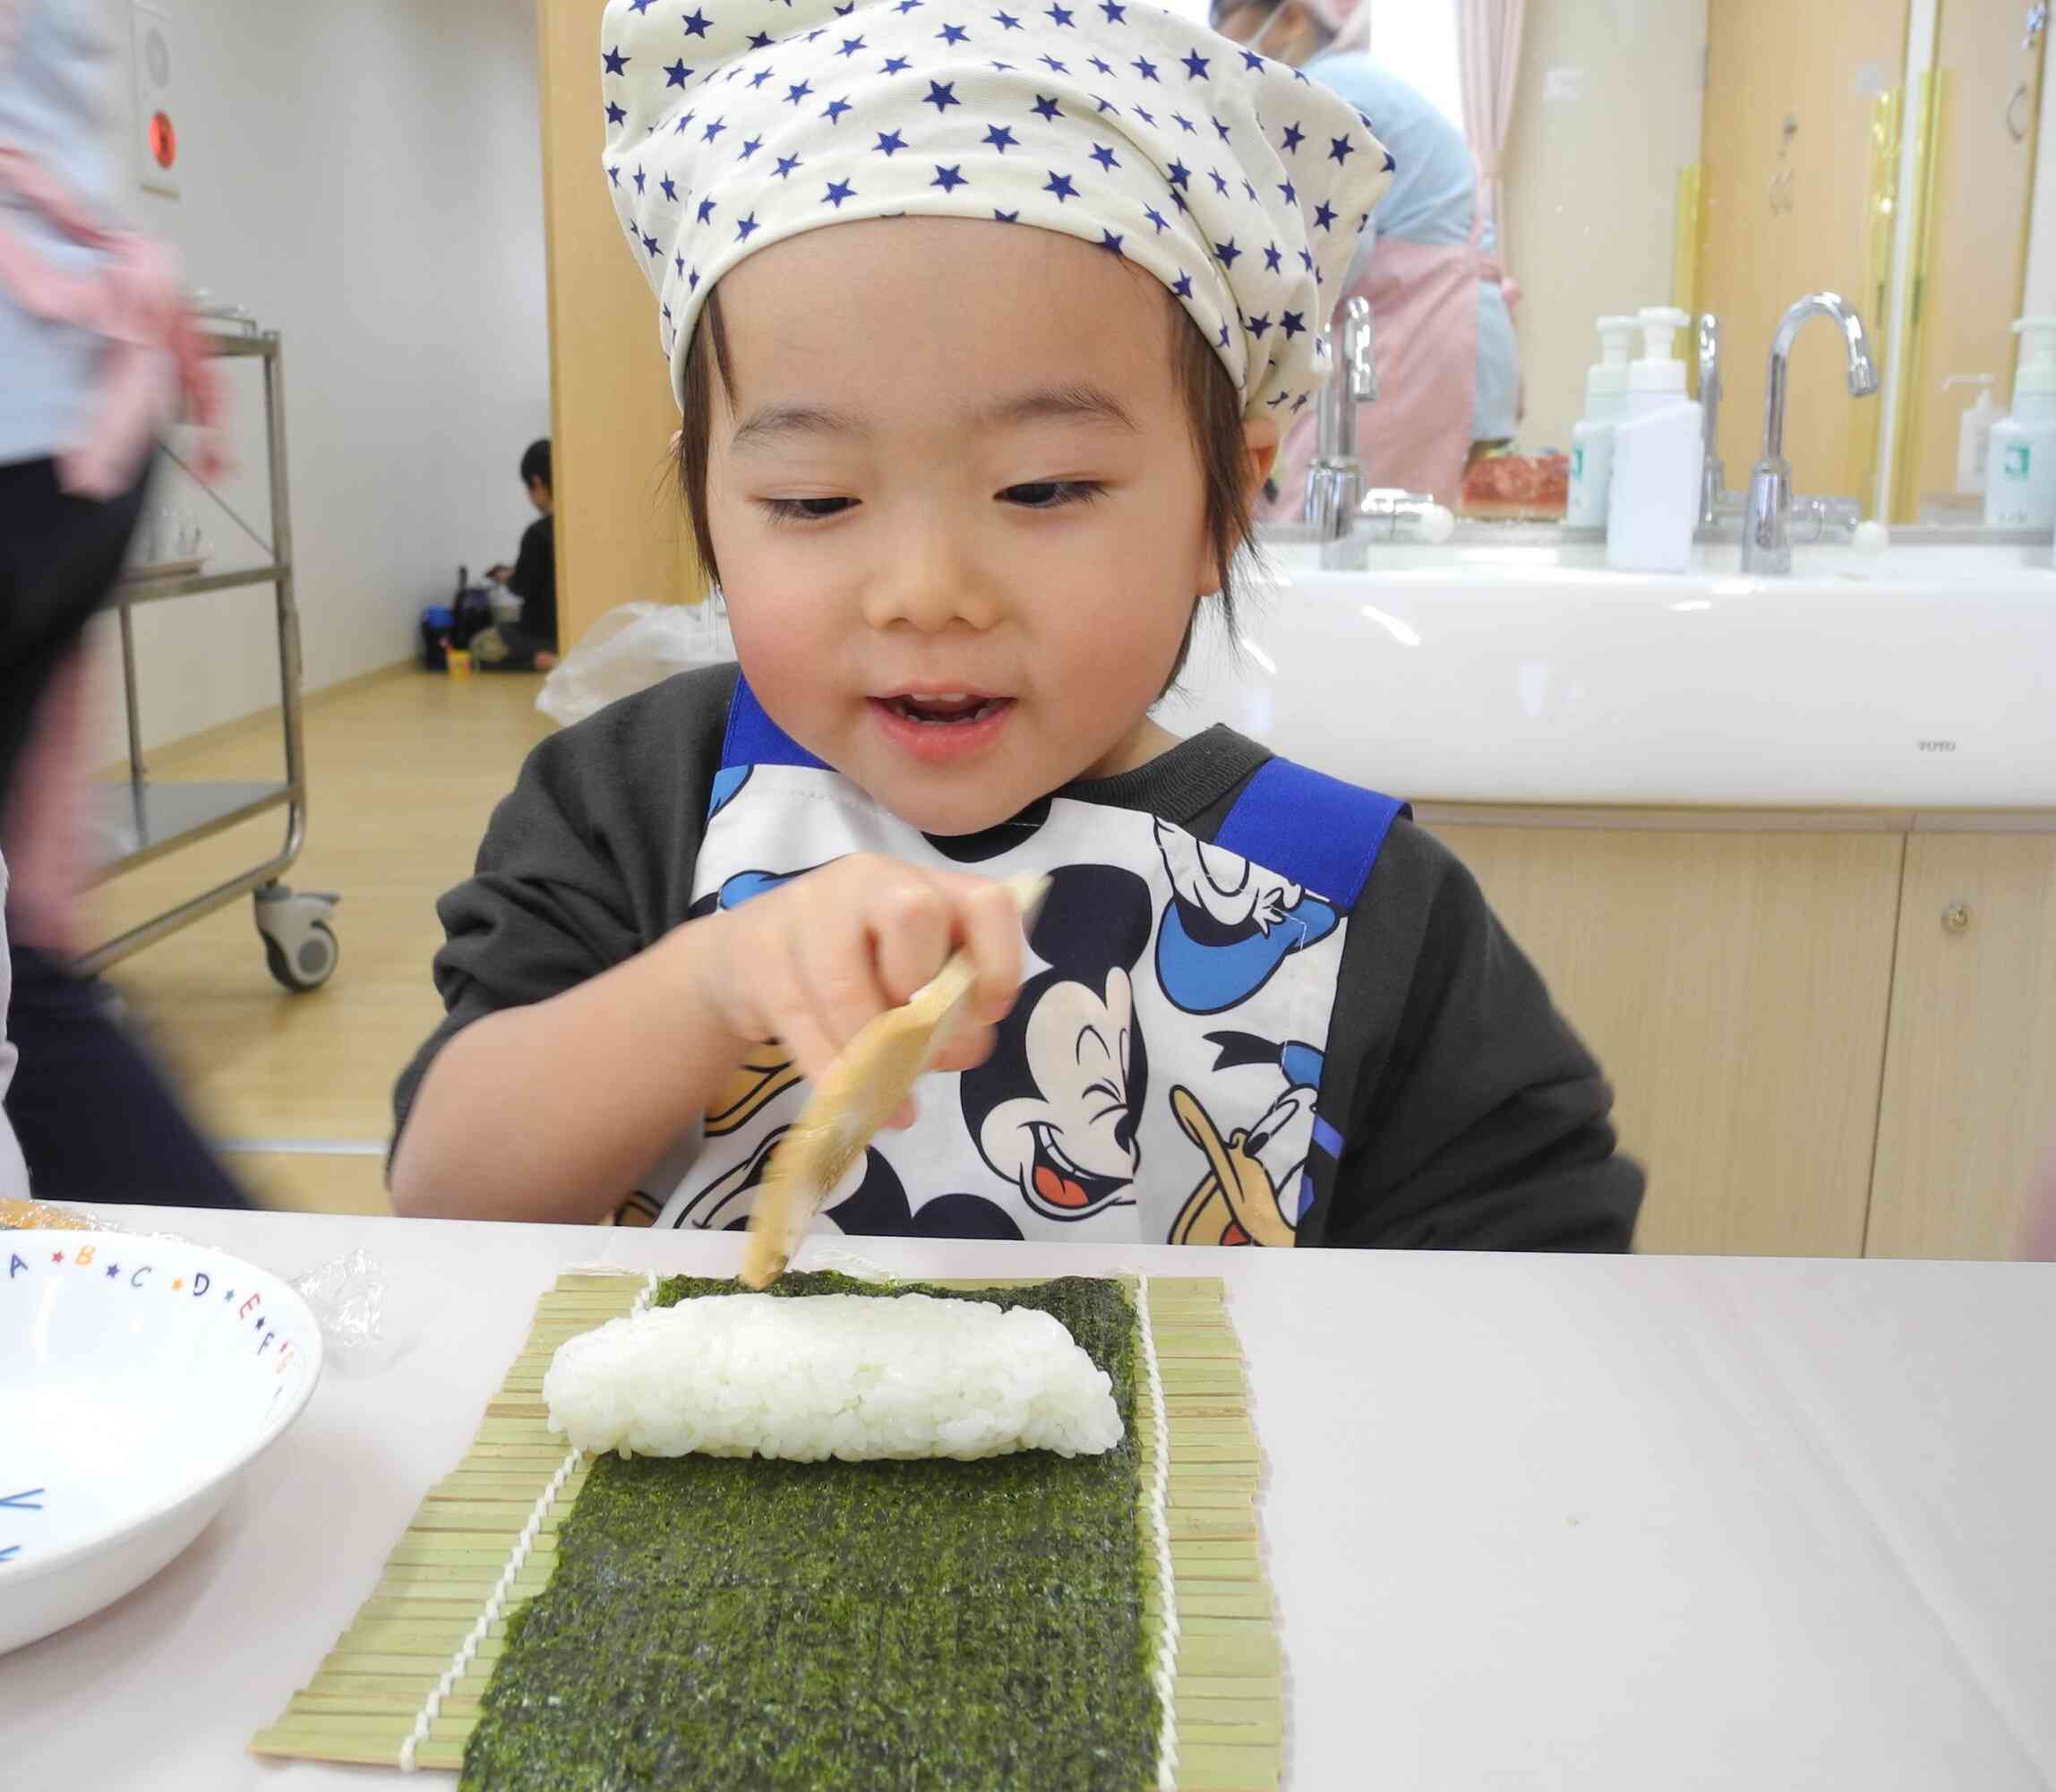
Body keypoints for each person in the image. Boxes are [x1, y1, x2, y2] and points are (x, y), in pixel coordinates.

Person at [390, 0, 1641, 1251]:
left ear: (1225, 499)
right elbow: (447, 1190)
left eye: (1041, 489)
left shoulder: (1357, 903)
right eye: (812, 499)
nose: (926, 591)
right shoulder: (633, 801)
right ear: (712, 497)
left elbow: (1544, 1292)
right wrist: (714, 980)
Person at [0, 0, 250, 1209]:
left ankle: (243, 1325)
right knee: (18, 955)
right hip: (68, 402)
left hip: (37, 399)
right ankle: (250, 1316)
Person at [1212, 0, 1521, 514]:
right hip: (1452, 340)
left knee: (1344, 536)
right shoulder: (1358, 81)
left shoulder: (1322, 93)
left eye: (1224, 19)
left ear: (1291, 17)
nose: (1216, 38)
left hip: (1413, 338)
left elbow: (1335, 254)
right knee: (1394, 542)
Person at [475, 437, 559, 673]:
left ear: (537, 483)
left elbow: (522, 587)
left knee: (481, 643)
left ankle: (540, 660)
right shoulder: (576, 527)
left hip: (541, 634)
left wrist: (506, 578)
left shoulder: (536, 533)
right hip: (575, 630)